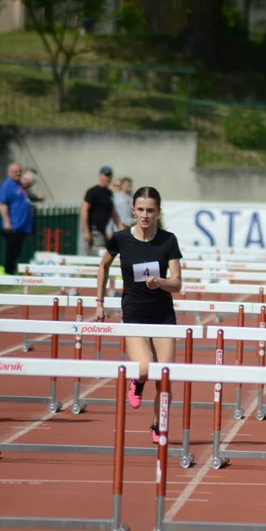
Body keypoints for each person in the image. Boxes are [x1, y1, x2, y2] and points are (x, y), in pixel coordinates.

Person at [94, 186, 182, 444]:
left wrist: (161, 282)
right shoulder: (121, 239)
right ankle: (138, 380)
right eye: (141, 210)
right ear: (133, 210)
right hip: (134, 312)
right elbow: (103, 265)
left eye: (150, 210)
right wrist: (99, 302)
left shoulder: (168, 240)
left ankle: (158, 424)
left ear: (158, 212)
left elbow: (177, 284)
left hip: (163, 314)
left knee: (165, 378)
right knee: (144, 368)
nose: (145, 215)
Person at [82, 166, 121, 255]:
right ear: (100, 176)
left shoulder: (109, 193)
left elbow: (113, 213)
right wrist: (86, 231)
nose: (108, 178)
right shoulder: (92, 191)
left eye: (110, 176)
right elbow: (84, 210)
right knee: (98, 254)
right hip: (94, 231)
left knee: (104, 254)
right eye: (106, 175)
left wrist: (121, 228)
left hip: (103, 231)